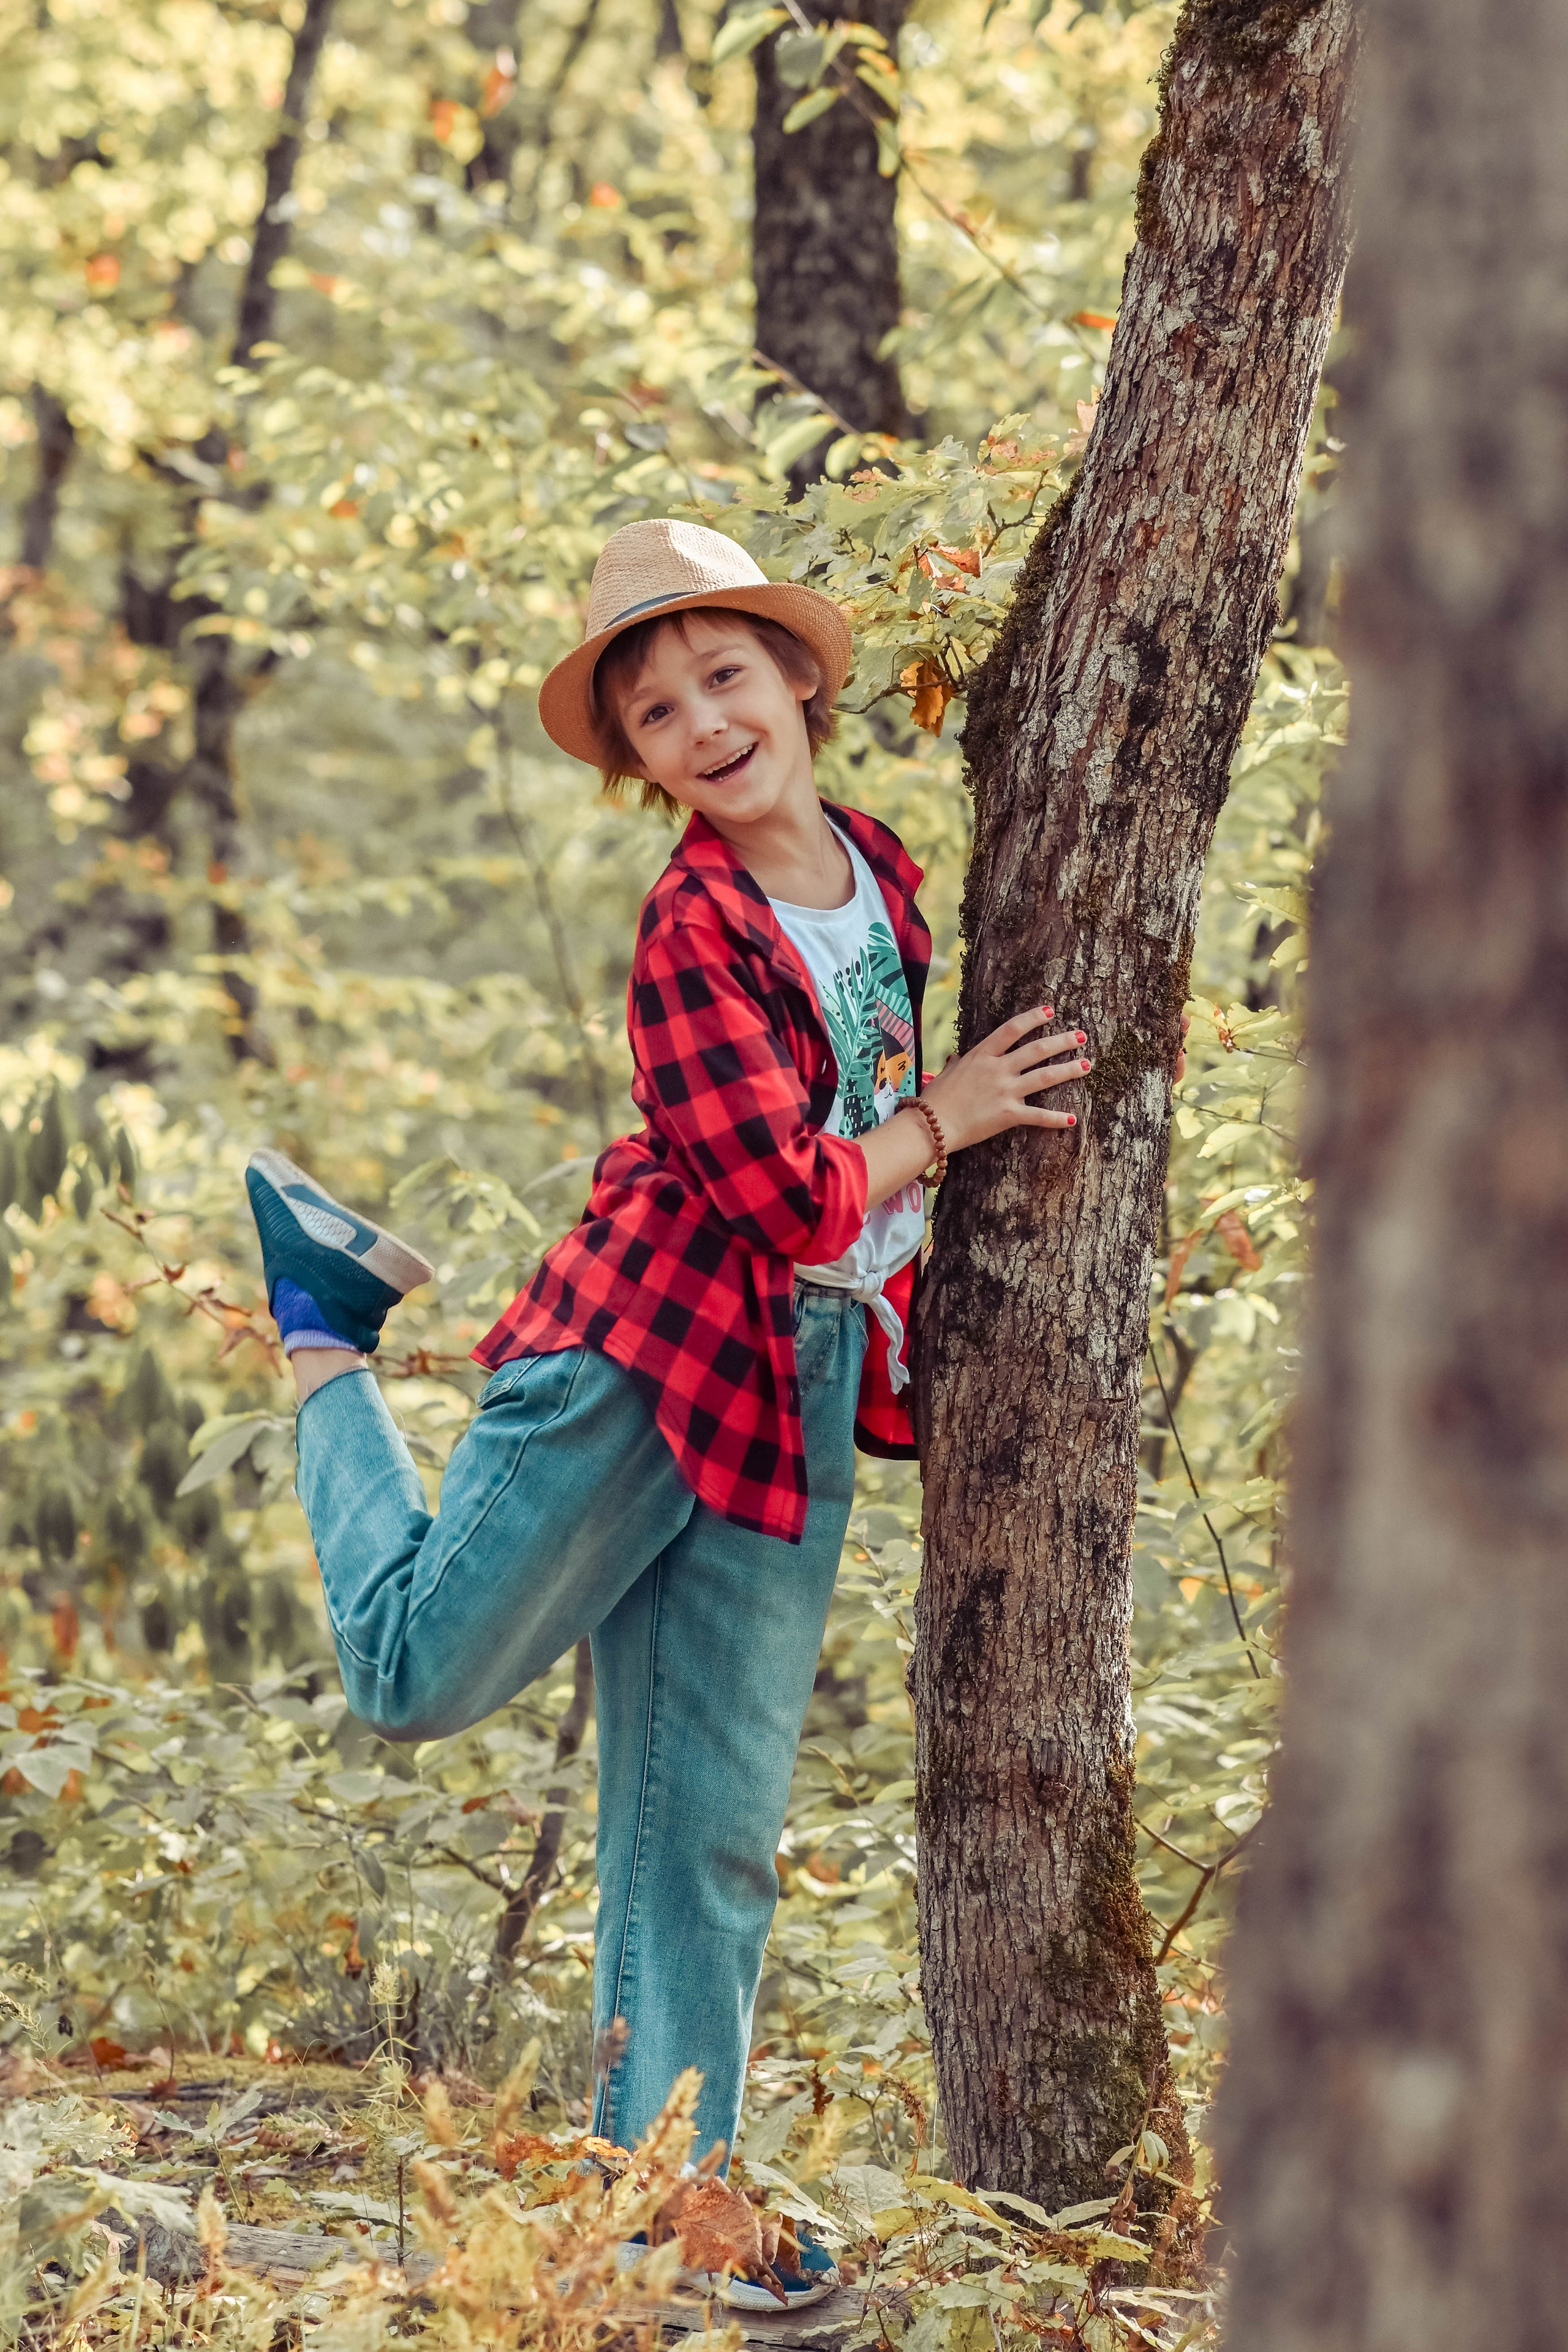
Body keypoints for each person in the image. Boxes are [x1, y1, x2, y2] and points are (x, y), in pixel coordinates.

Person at [243, 519, 1090, 2302]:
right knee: (414, 1677)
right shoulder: (692, 929)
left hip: (800, 1387)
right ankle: (323, 1328)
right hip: (643, 1359)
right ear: (638, 767)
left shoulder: (884, 872)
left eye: (724, 675)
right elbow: (794, 1193)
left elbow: (862, 1212)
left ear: (798, 678)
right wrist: (948, 1115)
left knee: (702, 1822)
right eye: (654, 711)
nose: (701, 721)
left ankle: (667, 2205)